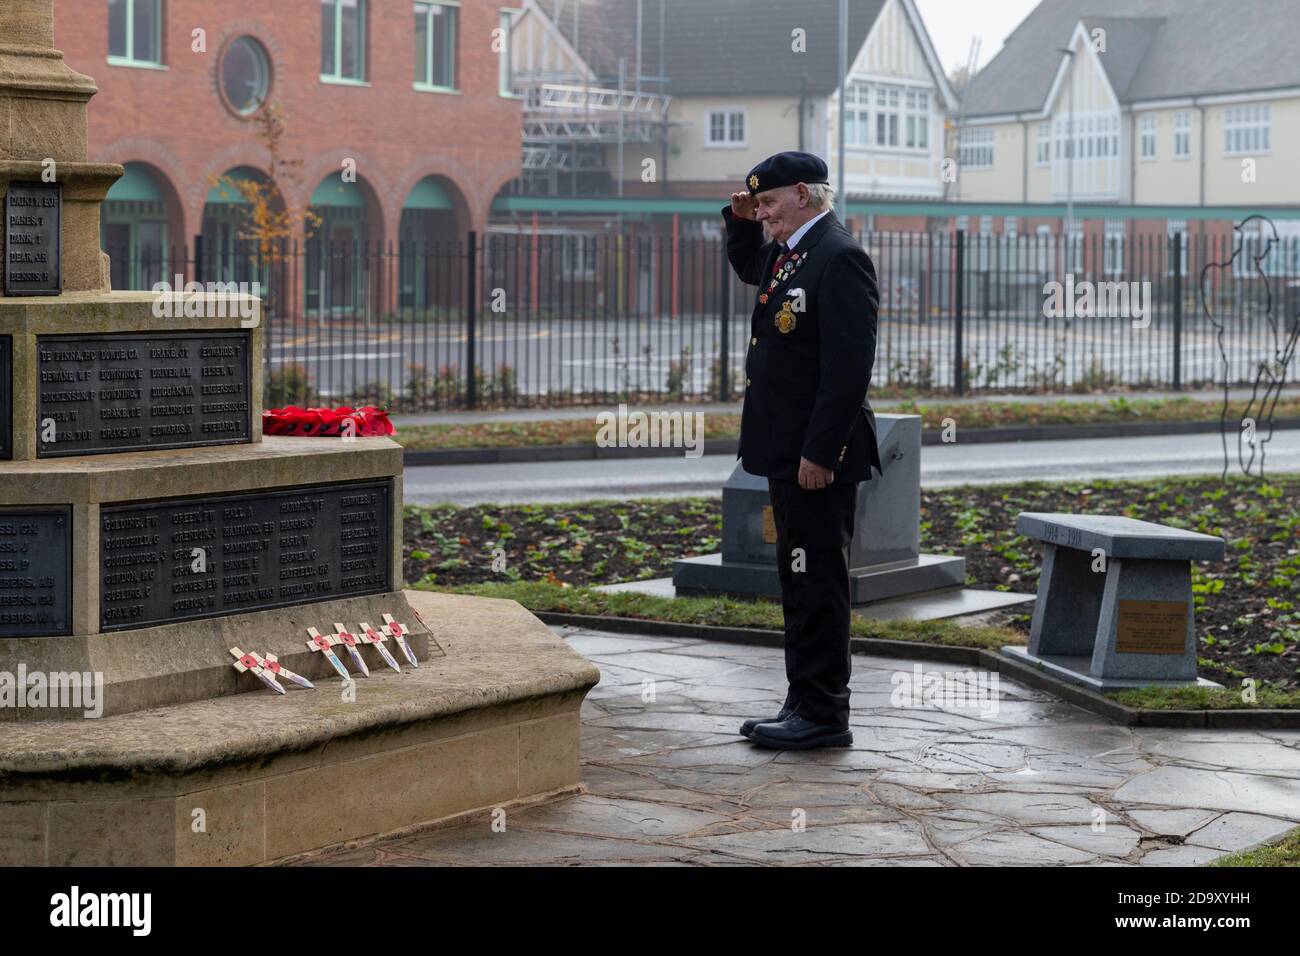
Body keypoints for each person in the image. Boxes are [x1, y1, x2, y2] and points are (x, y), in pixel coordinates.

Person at [721, 150, 882, 750]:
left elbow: (848, 370)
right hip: (785, 449)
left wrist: (820, 452)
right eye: (757, 206)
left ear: (805, 195)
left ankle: (823, 713)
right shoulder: (794, 253)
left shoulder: (839, 258)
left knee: (818, 582)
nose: (762, 215)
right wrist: (739, 221)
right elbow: (750, 270)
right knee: (799, 579)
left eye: (768, 204)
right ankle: (803, 697)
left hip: (817, 457)